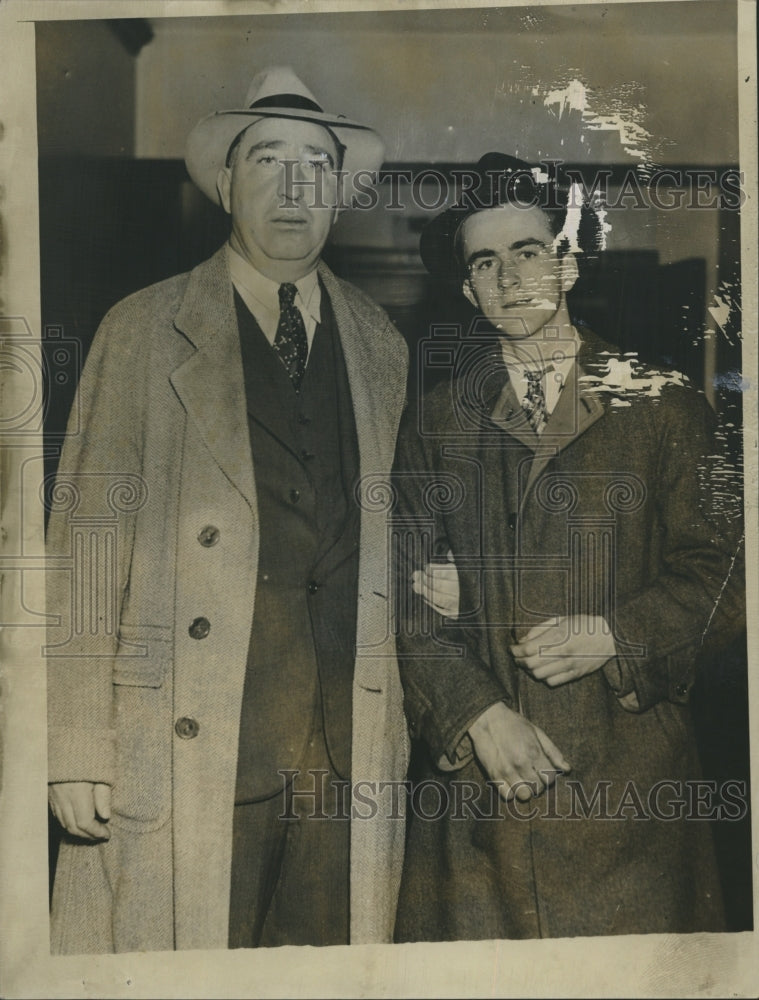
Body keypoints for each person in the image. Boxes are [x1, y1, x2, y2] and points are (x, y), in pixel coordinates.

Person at [45, 66, 410, 953]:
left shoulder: (381, 342)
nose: (293, 188)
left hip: (344, 755)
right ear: (223, 186)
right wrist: (75, 742)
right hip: (192, 740)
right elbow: (86, 546)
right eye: (267, 161)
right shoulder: (144, 328)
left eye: (316, 167)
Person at [392, 152, 745, 940]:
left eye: (527, 251)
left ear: (568, 262)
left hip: (628, 795)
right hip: (479, 804)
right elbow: (400, 597)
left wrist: (617, 635)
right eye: (485, 262)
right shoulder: (436, 420)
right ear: (466, 291)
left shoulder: (662, 403)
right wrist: (475, 712)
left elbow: (727, 573)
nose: (508, 276)